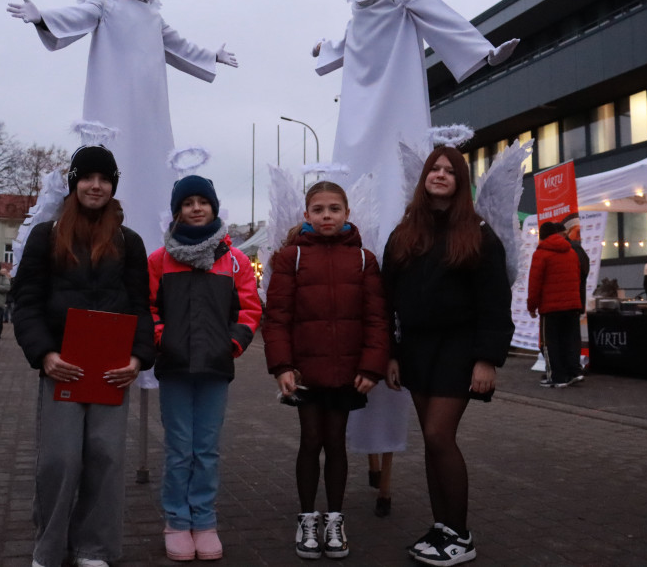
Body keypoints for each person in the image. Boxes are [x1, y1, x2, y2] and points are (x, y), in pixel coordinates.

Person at [8, 0, 238, 250]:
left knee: (152, 173)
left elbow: (180, 46)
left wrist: (212, 56)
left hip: (150, 115)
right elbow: (78, 17)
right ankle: (103, 242)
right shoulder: (105, 4)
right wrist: (43, 18)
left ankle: (154, 250)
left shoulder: (154, 18)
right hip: (111, 109)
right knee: (111, 168)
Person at [313, 0, 519, 252]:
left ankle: (401, 239)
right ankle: (354, 241)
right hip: (359, 96)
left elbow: (438, 14)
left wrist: (483, 50)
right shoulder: (358, 5)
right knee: (357, 163)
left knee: (398, 160)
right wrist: (324, 50)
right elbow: (352, 39)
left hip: (396, 88)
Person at [13, 145, 155, 567]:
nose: (96, 186)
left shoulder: (129, 241)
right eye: (88, 177)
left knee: (105, 457)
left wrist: (137, 358)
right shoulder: (47, 235)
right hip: (63, 365)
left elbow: (140, 305)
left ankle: (93, 547)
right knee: (59, 459)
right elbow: (27, 302)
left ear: (113, 185)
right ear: (74, 183)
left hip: (112, 368)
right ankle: (49, 547)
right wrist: (44, 354)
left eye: (105, 179)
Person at [382, 147, 513, 566]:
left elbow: (495, 301)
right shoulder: (404, 234)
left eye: (449, 171)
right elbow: (386, 300)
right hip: (416, 349)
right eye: (434, 169)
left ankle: (460, 534)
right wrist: (391, 353)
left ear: (460, 182)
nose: (440, 175)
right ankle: (443, 528)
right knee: (431, 441)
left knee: (440, 435)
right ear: (424, 177)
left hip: (460, 348)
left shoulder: (479, 234)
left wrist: (487, 358)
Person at [262, 181, 389, 560]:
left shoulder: (364, 260)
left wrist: (372, 367)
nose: (327, 216)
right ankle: (307, 519)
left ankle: (334, 519)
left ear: (347, 213)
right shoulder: (291, 257)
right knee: (310, 441)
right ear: (307, 215)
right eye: (318, 210)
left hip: (347, 371)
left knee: (336, 442)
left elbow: (377, 319)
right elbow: (277, 318)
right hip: (305, 371)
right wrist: (282, 366)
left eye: (334, 209)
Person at [148, 175, 262, 562]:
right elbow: (149, 307)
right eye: (187, 203)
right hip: (175, 368)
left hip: (214, 368)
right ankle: (177, 522)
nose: (196, 208)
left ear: (213, 207)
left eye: (203, 201)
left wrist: (231, 344)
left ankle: (204, 520)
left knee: (207, 450)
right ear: (177, 211)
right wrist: (163, 338)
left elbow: (248, 309)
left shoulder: (235, 260)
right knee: (179, 449)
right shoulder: (159, 260)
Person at [527, 221, 584, 388]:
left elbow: (534, 283)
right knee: (569, 340)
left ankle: (557, 376)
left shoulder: (541, 253)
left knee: (550, 343)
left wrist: (532, 306)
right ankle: (573, 372)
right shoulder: (571, 252)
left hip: (550, 308)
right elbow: (578, 278)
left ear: (542, 236)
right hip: (572, 305)